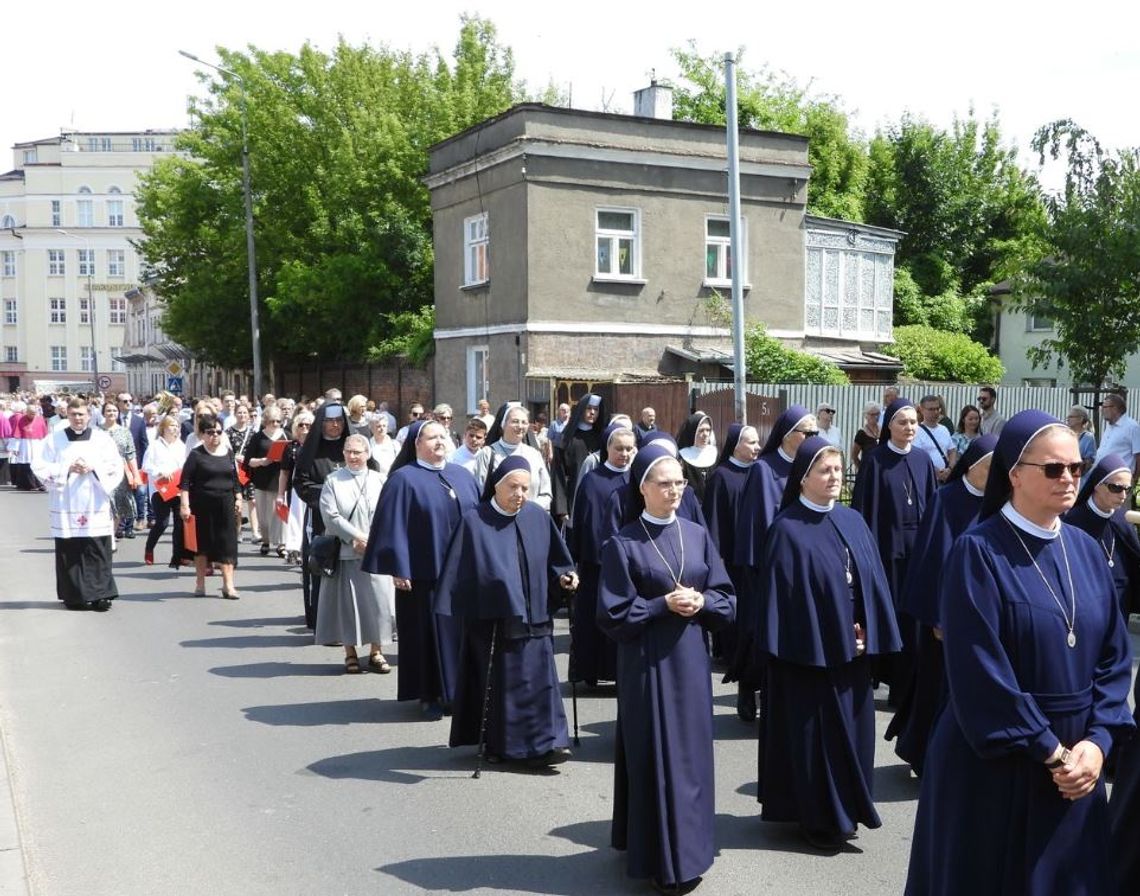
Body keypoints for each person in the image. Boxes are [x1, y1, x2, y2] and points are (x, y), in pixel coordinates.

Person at [905, 410, 1134, 895]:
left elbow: (1115, 660)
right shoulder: (978, 552)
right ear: (1014, 474)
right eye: (1054, 469)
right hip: (997, 764)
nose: (1069, 478)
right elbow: (980, 670)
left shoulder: (1086, 550)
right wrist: (1051, 752)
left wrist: (1097, 743)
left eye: (1077, 466)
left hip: (1078, 767)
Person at [598, 447, 735, 895]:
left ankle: (692, 853)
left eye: (680, 482)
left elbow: (726, 597)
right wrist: (661, 604)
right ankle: (658, 858)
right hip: (646, 667)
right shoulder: (623, 543)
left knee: (691, 760)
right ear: (643, 489)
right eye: (665, 483)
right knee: (655, 757)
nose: (675, 490)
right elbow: (613, 615)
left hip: (691, 663)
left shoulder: (696, 534)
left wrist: (703, 602)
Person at [755, 437, 901, 851]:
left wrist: (869, 631)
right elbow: (786, 604)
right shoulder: (787, 530)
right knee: (816, 741)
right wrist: (835, 638)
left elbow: (872, 584)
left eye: (837, 470)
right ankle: (817, 817)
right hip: (808, 659)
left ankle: (848, 809)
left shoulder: (853, 520)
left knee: (854, 736)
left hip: (853, 655)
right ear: (803, 479)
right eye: (824, 470)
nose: (834, 477)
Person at [435, 454, 578, 767]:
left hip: (537, 617)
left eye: (526, 488)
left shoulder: (537, 516)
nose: (520, 495)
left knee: (542, 682)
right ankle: (506, 746)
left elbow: (558, 561)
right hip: (495, 623)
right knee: (506, 687)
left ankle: (551, 742)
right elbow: (461, 576)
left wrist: (566, 578)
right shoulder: (475, 521)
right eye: (513, 487)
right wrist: (490, 590)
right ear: (497, 487)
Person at [889, 434, 998, 777]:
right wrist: (938, 617)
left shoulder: (996, 503)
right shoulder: (946, 499)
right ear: (973, 466)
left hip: (982, 611)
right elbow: (932, 559)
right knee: (937, 685)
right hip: (945, 616)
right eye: (990, 467)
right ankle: (924, 753)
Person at [362, 420, 479, 719]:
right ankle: (429, 694)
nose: (440, 441)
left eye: (443, 436)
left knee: (461, 634)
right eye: (432, 437)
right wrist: (398, 567)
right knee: (426, 634)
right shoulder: (404, 479)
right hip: (422, 574)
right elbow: (392, 526)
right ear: (416, 444)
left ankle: (458, 692)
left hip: (461, 574)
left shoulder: (462, 475)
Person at [850, 398, 937, 704]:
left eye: (914, 422)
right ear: (889, 426)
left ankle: (911, 685)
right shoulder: (875, 460)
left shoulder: (924, 460)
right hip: (887, 553)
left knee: (915, 622)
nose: (909, 427)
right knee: (890, 617)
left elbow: (932, 506)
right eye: (903, 422)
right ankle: (886, 678)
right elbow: (864, 508)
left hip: (918, 554)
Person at [32, 397, 123, 611]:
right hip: (67, 502)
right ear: (68, 416)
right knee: (71, 549)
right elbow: (40, 465)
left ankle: (101, 595)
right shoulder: (54, 440)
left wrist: (93, 467)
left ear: (89, 416)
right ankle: (75, 596)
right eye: (73, 414)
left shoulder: (102, 439)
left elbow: (114, 466)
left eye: (81, 414)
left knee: (97, 548)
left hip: (94, 501)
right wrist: (67, 468)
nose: (77, 418)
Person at [567, 422, 637, 688]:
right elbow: (582, 521)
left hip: (627, 563)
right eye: (619, 448)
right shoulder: (592, 480)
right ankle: (590, 670)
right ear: (607, 449)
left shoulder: (637, 480)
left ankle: (620, 673)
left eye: (630, 449)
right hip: (596, 563)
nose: (624, 454)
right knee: (592, 620)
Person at [316, 434, 393, 674]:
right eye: (349, 451)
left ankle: (376, 651)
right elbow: (330, 515)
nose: (353, 456)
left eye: (358, 452)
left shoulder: (381, 480)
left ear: (367, 454)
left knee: (379, 602)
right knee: (348, 605)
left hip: (376, 552)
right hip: (346, 551)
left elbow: (389, 512)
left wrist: (373, 541)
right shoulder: (333, 481)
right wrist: (356, 537)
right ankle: (350, 652)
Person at [701, 423, 759, 715]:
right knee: (741, 627)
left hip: (758, 561)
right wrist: (716, 558)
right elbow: (713, 522)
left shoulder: (760, 473)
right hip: (734, 563)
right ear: (735, 445)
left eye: (758, 442)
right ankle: (743, 683)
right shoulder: (721, 477)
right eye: (751, 443)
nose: (756, 448)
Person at [1063, 453, 1140, 619]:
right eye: (1116, 488)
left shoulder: (1122, 520)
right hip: (1086, 606)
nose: (1123, 496)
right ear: (1097, 485)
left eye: (1128, 489)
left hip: (1120, 606)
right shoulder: (1073, 521)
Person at [295, 403, 353, 628]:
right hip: (320, 518)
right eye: (329, 421)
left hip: (352, 518)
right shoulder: (310, 451)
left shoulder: (353, 448)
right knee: (320, 565)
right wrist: (329, 497)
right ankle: (320, 618)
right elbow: (301, 483)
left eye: (339, 420)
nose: (335, 425)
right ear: (322, 423)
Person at [179, 412, 241, 599]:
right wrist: (185, 505)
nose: (215, 436)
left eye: (218, 432)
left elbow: (235, 479)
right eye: (211, 432)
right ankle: (200, 584)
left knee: (227, 545)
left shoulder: (228, 453)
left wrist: (238, 497)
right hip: (202, 504)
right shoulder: (196, 454)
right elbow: (185, 482)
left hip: (226, 504)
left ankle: (228, 585)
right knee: (202, 545)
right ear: (203, 434)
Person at [473, 403, 553, 511]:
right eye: (515, 421)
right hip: (497, 522)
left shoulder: (534, 454)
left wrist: (531, 510)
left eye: (524, 422)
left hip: (530, 518)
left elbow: (546, 492)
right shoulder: (488, 454)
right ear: (503, 424)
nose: (520, 426)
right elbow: (479, 491)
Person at [141, 414, 189, 567]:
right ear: (163, 428)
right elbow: (146, 466)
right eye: (172, 425)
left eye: (177, 426)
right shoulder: (155, 445)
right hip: (159, 490)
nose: (175, 428)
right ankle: (149, 548)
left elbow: (186, 466)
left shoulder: (181, 446)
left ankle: (177, 556)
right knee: (162, 523)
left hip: (177, 489)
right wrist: (160, 472)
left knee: (179, 523)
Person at [550, 393, 606, 523]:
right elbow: (558, 474)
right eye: (588, 408)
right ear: (581, 409)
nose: (592, 413)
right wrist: (562, 509)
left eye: (596, 409)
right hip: (573, 496)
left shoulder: (602, 438)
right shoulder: (566, 438)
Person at [243, 405, 289, 558]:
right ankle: (266, 541)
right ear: (265, 421)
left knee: (280, 513)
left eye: (278, 421)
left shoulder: (286, 435)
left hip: (281, 479)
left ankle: (281, 544)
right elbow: (248, 461)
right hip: (262, 480)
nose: (275, 424)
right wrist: (263, 461)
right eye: (271, 421)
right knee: (263, 514)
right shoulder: (258, 437)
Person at [277, 409, 313, 568]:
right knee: (296, 520)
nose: (304, 428)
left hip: (314, 488)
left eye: (308, 425)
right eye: (301, 425)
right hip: (295, 489)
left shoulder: (318, 446)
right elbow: (284, 473)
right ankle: (295, 550)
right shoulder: (290, 447)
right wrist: (280, 494)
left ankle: (311, 550)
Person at [100, 400, 140, 540]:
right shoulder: (97, 431)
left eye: (114, 411)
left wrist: (135, 475)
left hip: (121, 473)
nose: (111, 413)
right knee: (105, 504)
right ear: (103, 413)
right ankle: (104, 534)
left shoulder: (124, 432)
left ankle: (111, 536)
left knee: (118, 505)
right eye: (108, 411)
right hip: (102, 472)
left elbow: (131, 454)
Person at [225, 403, 259, 543]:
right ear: (235, 414)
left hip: (249, 470)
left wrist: (247, 459)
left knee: (252, 500)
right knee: (237, 501)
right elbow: (226, 451)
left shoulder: (253, 433)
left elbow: (257, 451)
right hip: (234, 471)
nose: (243, 415)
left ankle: (255, 531)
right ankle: (238, 532)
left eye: (245, 413)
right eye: (240, 412)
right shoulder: (228, 432)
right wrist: (234, 458)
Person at [116, 392, 149, 532]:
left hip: (137, 462)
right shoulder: (113, 419)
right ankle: (122, 523)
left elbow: (144, 443)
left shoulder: (138, 420)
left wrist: (143, 464)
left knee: (140, 493)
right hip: (118, 464)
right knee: (121, 493)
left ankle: (140, 518)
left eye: (130, 400)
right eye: (124, 401)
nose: (128, 403)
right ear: (118, 403)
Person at [913, 394, 957, 483]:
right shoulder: (916, 431)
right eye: (931, 409)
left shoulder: (944, 429)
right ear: (922, 410)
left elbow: (952, 450)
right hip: (927, 479)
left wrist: (950, 468)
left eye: (937, 408)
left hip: (945, 478)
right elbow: (918, 457)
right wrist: (936, 472)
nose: (936, 412)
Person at [675, 411, 718, 503]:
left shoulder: (714, 453)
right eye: (701, 430)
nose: (706, 434)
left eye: (708, 430)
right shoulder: (682, 456)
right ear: (692, 432)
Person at [1095, 393, 1140, 479]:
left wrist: (1135, 479)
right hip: (1102, 478)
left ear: (1115, 408)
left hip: (1119, 480)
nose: (1102, 410)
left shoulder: (1132, 427)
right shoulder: (1110, 426)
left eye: (1104, 407)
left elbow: (1138, 456)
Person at [367, 410, 400, 477]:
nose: (382, 428)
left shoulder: (395, 445)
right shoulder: (368, 445)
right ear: (372, 429)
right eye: (378, 426)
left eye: (384, 426)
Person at [849, 401, 881, 471]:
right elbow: (854, 455)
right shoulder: (861, 434)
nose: (875, 417)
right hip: (868, 471)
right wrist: (862, 469)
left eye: (877, 414)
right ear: (866, 415)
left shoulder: (884, 431)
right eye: (872, 414)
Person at [1066, 405, 1097, 471]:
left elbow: (1089, 461)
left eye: (1071, 417)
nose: (1067, 419)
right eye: (1068, 417)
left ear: (1080, 419)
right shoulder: (1065, 434)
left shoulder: (1088, 437)